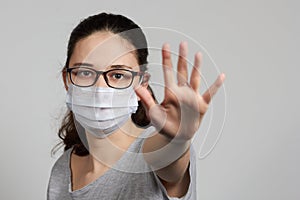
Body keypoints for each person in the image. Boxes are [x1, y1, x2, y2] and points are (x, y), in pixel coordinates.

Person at [47, 12, 225, 200]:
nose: (100, 89)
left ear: (142, 83)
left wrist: (177, 140)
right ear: (67, 80)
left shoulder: (152, 149)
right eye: (85, 72)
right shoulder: (62, 170)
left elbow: (170, 165)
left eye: (117, 75)